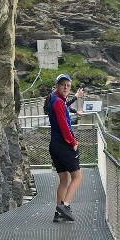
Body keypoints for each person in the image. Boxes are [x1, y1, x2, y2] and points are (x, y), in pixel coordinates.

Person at [44, 73, 85, 222]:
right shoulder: (58, 102)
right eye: (63, 85)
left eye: (68, 85)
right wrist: (72, 142)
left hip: (54, 145)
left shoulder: (53, 100)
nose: (66, 87)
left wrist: (75, 97)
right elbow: (64, 125)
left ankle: (58, 212)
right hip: (63, 144)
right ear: (57, 86)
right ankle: (65, 206)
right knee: (77, 176)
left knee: (64, 179)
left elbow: (64, 107)